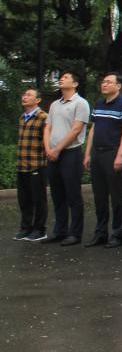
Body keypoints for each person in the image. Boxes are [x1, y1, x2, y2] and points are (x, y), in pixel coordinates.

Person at [83, 72, 122, 248]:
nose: (104, 84)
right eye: (103, 82)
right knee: (99, 195)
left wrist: (120, 155)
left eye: (109, 82)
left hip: (113, 152)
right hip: (97, 153)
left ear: (118, 86)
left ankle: (117, 234)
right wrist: (87, 153)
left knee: (116, 195)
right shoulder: (99, 103)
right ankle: (100, 233)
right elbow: (93, 129)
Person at [44, 70, 91, 246]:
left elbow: (76, 129)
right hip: (53, 153)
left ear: (75, 84)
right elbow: (47, 127)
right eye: (61, 77)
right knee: (57, 194)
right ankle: (60, 230)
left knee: (73, 194)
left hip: (70, 152)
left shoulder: (81, 103)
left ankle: (75, 233)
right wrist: (48, 148)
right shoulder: (55, 104)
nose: (61, 79)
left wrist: (58, 149)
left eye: (66, 78)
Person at [15, 88, 49, 242]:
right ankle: (25, 228)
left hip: (37, 165)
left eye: (29, 95)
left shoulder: (43, 117)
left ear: (38, 100)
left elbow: (47, 140)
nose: (24, 97)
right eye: (24, 94)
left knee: (39, 199)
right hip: (22, 165)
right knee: (24, 199)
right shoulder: (22, 117)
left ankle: (40, 229)